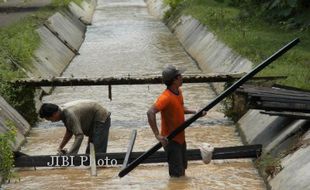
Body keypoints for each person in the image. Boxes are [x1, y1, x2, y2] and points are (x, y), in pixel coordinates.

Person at [147, 65, 206, 177]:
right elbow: (150, 112)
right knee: (176, 175)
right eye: (180, 76)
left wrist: (196, 112)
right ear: (174, 80)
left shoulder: (178, 92)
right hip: (171, 140)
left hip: (181, 138)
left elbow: (180, 109)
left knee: (182, 169)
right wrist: (157, 135)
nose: (182, 77)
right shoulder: (165, 97)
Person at [39, 99, 111, 155]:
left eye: (49, 119)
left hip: (101, 118)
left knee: (97, 152)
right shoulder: (62, 112)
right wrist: (60, 147)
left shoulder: (69, 114)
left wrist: (71, 155)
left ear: (55, 114)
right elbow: (69, 131)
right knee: (89, 153)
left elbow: (79, 135)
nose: (51, 121)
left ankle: (102, 169)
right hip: (93, 117)